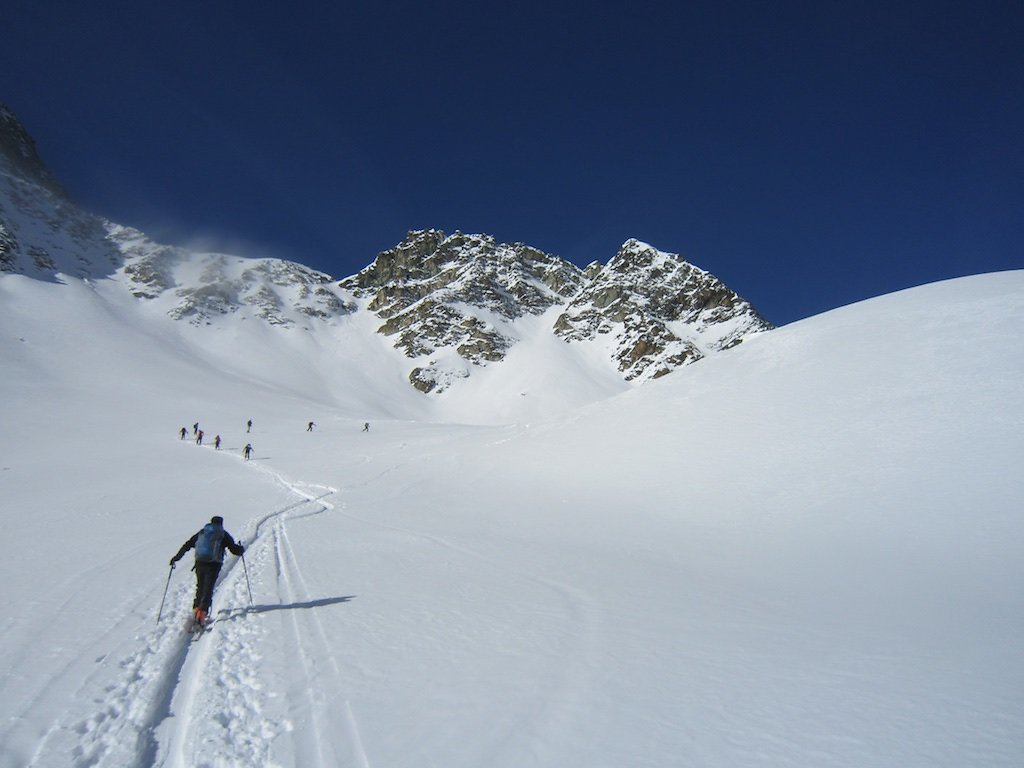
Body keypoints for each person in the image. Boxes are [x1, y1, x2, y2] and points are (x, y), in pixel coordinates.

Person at [169, 515, 244, 624]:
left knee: (200, 587)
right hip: (213, 565)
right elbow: (234, 550)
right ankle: (201, 615)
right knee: (208, 589)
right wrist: (241, 549)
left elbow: (188, 544)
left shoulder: (203, 532)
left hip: (199, 563)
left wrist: (177, 557)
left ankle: (195, 611)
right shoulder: (223, 534)